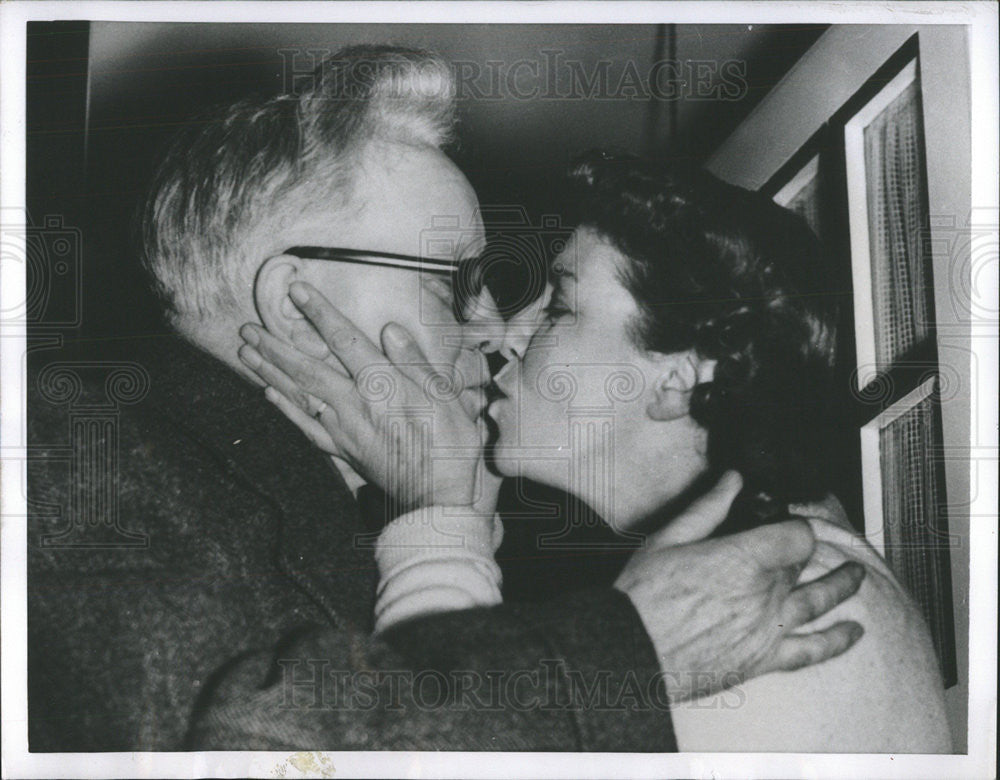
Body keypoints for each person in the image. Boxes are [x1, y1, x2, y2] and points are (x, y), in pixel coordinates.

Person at [28, 46, 862, 752]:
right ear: (293, 305)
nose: (494, 331)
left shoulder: (302, 510)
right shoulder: (69, 446)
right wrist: (627, 654)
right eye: (453, 284)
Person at [244, 155, 951, 752]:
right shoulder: (780, 554)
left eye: (558, 307)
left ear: (680, 377)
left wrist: (439, 520)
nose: (505, 338)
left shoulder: (770, 602)